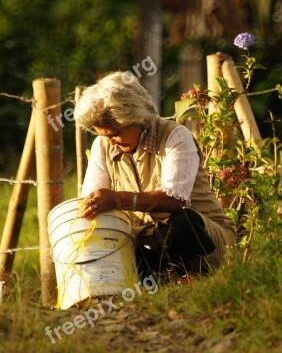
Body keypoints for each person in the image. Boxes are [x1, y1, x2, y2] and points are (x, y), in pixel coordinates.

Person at [74, 71, 236, 279]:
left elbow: (174, 201)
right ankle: (162, 282)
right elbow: (91, 201)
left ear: (136, 119)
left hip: (205, 240)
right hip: (151, 243)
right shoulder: (103, 145)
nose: (111, 141)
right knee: (107, 240)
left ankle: (199, 277)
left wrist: (117, 199)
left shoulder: (175, 136)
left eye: (116, 133)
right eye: (105, 135)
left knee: (182, 222)